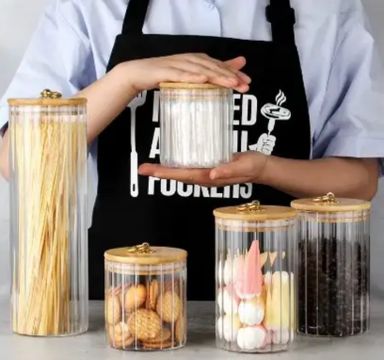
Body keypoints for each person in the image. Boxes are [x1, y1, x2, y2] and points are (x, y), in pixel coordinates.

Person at [0, 0, 383, 300]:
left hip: (275, 308)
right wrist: (126, 79)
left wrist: (264, 169)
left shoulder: (329, 9)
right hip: (124, 305)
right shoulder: (90, 7)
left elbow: (360, 182)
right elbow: (16, 161)